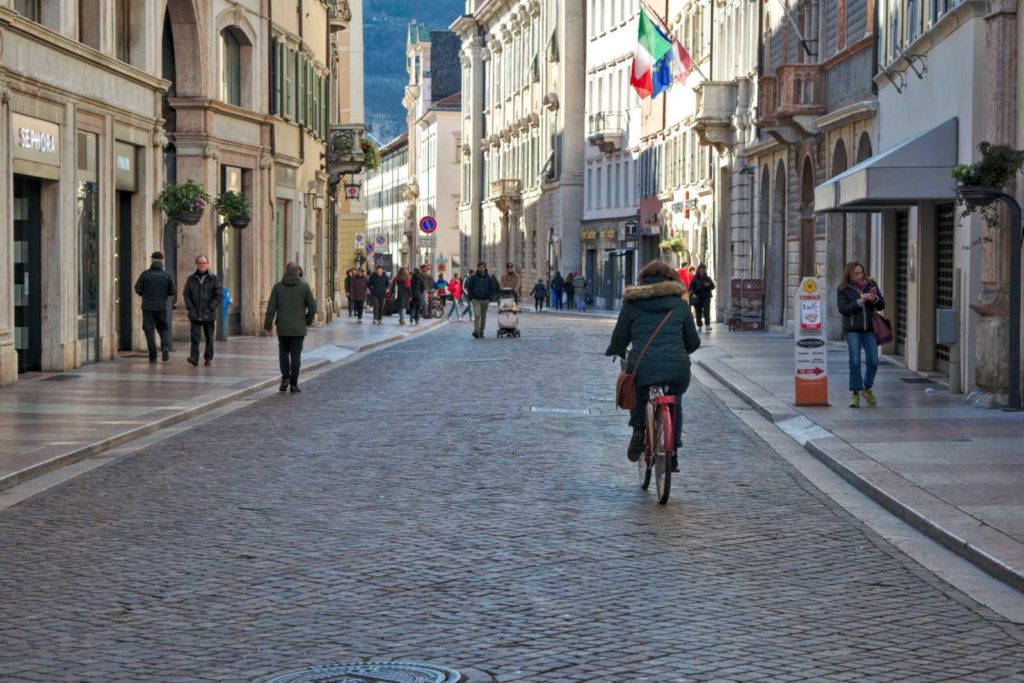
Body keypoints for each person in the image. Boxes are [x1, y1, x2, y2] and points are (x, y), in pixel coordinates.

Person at [606, 261, 700, 469]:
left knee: (639, 392)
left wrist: (615, 349)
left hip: (642, 364)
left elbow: (621, 336)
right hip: (677, 368)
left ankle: (638, 429)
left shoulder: (632, 303)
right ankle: (673, 451)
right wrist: (681, 351)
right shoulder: (681, 305)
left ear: (643, 280)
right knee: (676, 400)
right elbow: (693, 342)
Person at [837, 261, 885, 408]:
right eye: (856, 273)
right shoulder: (843, 289)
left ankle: (867, 387)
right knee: (855, 362)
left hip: (869, 329)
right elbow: (843, 309)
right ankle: (855, 394)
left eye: (861, 272)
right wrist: (859, 302)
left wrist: (874, 298)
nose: (860, 276)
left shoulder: (871, 285)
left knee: (873, 361)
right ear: (849, 275)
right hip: (852, 330)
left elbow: (882, 305)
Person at [263, 262, 317, 393]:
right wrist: (307, 321)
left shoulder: (278, 287)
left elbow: (271, 309)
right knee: (296, 355)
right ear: (298, 272)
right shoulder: (304, 286)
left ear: (285, 271)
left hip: (283, 327)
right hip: (298, 328)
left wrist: (268, 326)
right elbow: (312, 307)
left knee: (283, 353)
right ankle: (294, 384)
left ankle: (285, 378)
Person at [134, 251, 176, 363]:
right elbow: (172, 291)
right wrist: (163, 295)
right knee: (163, 328)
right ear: (162, 261)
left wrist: (145, 294)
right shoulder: (167, 275)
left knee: (149, 331)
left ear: (152, 260)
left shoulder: (145, 274)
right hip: (161, 306)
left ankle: (153, 356)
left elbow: (137, 288)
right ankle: (165, 347)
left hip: (147, 307)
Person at [183, 255, 223, 366]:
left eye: (204, 263)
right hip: (195, 313)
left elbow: (218, 295)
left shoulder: (214, 278)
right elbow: (186, 294)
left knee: (209, 337)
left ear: (208, 264)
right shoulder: (191, 278)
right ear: (197, 264)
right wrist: (190, 307)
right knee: (195, 336)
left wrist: (211, 307)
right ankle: (194, 358)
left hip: (208, 313)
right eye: (200, 263)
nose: (202, 265)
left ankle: (208, 358)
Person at [466, 261, 499, 338]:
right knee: (477, 315)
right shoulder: (473, 278)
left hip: (485, 300)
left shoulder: (489, 278)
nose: (481, 269)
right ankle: (476, 331)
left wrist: (490, 298)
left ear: (485, 268)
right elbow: (469, 288)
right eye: (480, 267)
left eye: (483, 267)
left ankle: (481, 331)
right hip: (475, 300)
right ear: (478, 268)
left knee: (483, 316)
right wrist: (471, 297)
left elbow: (493, 289)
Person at [688, 264, 715, 332]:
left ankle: (707, 325)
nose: (702, 271)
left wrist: (708, 285)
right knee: (698, 312)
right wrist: (693, 293)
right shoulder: (695, 278)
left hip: (706, 297)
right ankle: (699, 325)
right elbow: (690, 288)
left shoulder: (707, 278)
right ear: (698, 270)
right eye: (701, 269)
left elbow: (713, 286)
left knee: (706, 311)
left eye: (704, 269)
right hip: (697, 298)